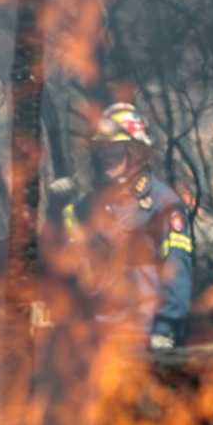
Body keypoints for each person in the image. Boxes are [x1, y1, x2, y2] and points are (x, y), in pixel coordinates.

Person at [50, 103, 193, 350]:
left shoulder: (163, 204)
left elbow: (177, 268)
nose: (107, 156)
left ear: (137, 151)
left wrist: (165, 328)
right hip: (97, 339)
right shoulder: (86, 207)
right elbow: (57, 262)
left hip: (144, 337)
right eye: (102, 150)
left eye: (115, 149)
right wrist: (55, 210)